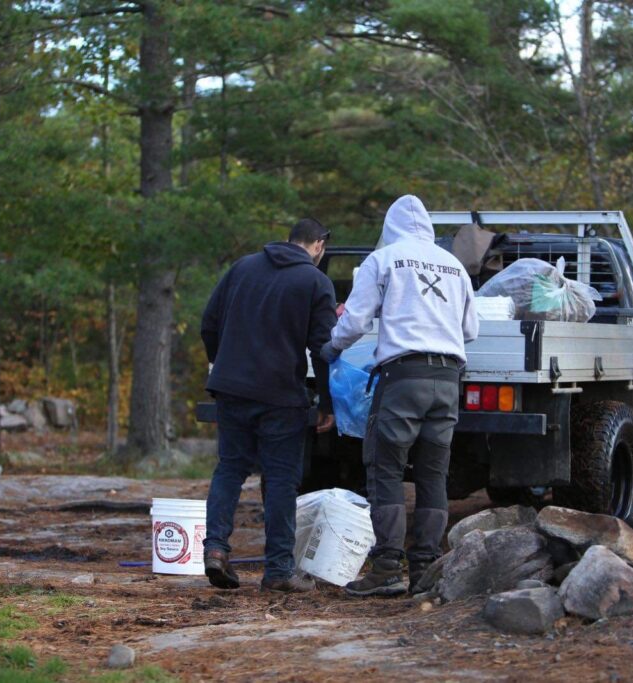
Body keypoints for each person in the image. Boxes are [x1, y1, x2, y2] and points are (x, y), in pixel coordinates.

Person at [321, 195, 478, 596]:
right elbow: (471, 330)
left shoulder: (385, 259)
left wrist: (333, 347)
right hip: (447, 380)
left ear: (389, 227)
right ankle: (424, 570)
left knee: (386, 468)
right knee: (432, 472)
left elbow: (355, 319)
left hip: (403, 377)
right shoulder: (455, 265)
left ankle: (388, 567)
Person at [200, 218, 337, 593]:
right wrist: (327, 401)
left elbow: (209, 324)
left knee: (230, 468)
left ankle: (215, 549)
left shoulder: (242, 267)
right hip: (280, 394)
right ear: (319, 245)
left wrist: (223, 364)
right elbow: (321, 348)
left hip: (231, 389)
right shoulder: (314, 282)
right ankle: (278, 570)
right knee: (279, 480)